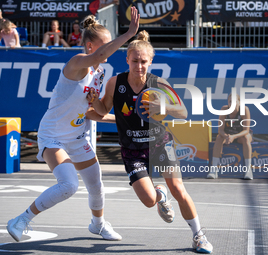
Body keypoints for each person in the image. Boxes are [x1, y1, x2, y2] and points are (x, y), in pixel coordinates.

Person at [6, 7, 140, 243]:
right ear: (90, 46)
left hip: (77, 137)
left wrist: (124, 120)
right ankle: (21, 220)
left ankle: (98, 225)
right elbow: (98, 57)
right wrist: (129, 33)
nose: (111, 48)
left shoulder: (99, 74)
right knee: (68, 184)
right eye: (106, 43)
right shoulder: (77, 63)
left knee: (96, 185)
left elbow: (92, 112)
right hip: (53, 136)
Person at [87, 30, 213, 254]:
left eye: (144, 61)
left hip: (160, 144)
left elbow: (182, 112)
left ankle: (199, 235)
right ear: (127, 59)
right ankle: (159, 194)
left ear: (150, 61)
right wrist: (93, 101)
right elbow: (103, 109)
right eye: (134, 61)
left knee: (178, 189)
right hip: (132, 150)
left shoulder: (158, 84)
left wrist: (162, 107)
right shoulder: (115, 83)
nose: (139, 66)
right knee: (148, 201)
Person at [207, 94, 253, 180]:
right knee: (219, 138)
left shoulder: (245, 110)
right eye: (230, 101)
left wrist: (233, 137)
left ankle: (248, 170)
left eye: (235, 101)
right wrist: (227, 137)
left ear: (239, 102)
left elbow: (246, 130)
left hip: (240, 135)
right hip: (228, 135)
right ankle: (214, 170)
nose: (232, 104)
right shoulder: (224, 109)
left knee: (246, 137)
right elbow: (220, 130)